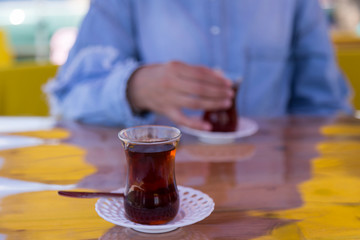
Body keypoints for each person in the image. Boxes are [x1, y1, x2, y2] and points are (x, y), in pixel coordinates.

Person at [45, 0, 352, 130]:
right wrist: (134, 87)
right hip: (158, 201)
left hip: (271, 209)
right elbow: (70, 93)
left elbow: (325, 105)